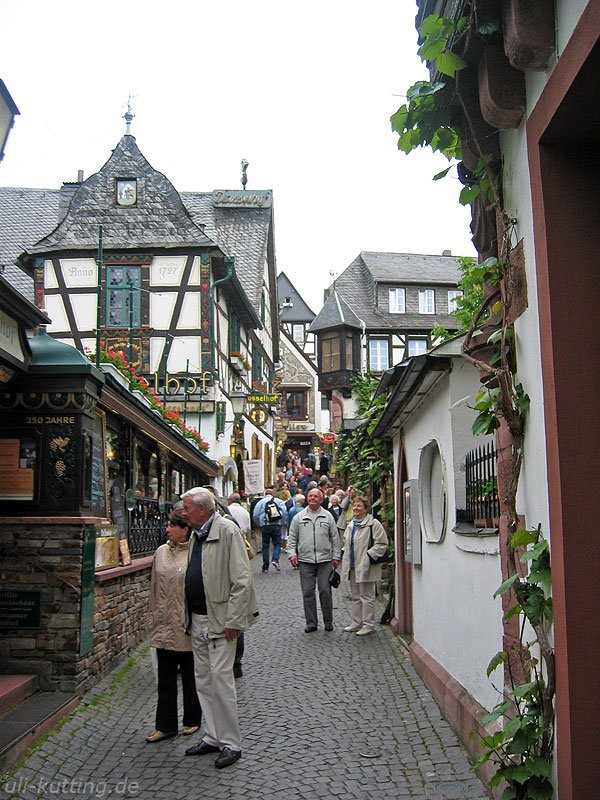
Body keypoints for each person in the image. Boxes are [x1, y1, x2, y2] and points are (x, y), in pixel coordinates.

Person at [181, 487, 258, 769]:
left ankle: (231, 742)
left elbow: (242, 579)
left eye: (187, 507)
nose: (183, 511)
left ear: (202, 509)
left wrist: (235, 620)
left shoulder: (227, 531)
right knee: (203, 679)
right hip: (198, 618)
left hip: (221, 620)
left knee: (222, 681)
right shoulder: (196, 534)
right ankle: (212, 735)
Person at [146, 510, 202, 743]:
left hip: (185, 623)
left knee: (190, 676)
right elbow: (154, 587)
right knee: (166, 678)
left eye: (172, 525)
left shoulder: (195, 553)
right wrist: (153, 618)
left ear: (185, 529)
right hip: (163, 624)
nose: (167, 529)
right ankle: (165, 725)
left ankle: (192, 719)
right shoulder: (161, 552)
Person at [288, 488, 341, 633]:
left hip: (325, 560)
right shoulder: (299, 517)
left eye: (315, 496)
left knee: (325, 590)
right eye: (310, 496)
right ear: (306, 498)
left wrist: (336, 556)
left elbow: (335, 539)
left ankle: (328, 621)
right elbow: (292, 538)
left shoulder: (327, 517)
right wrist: (292, 554)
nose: (312, 498)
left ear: (321, 500)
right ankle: (311, 622)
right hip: (305, 560)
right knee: (308, 592)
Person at [341, 495, 388, 636]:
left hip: (367, 566)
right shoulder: (351, 525)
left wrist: (369, 555)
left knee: (367, 596)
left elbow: (382, 543)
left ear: (366, 509)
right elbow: (347, 543)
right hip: (353, 566)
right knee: (355, 596)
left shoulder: (373, 524)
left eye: (359, 506)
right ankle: (356, 622)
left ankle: (368, 624)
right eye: (355, 505)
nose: (356, 508)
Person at [252, 487, 288, 573]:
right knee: (277, 544)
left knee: (265, 546)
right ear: (273, 494)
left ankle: (265, 567)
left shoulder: (260, 502)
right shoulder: (278, 501)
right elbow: (284, 512)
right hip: (276, 525)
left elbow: (255, 515)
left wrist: (260, 523)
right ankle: (275, 559)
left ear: (265, 494)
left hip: (265, 525)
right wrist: (281, 522)